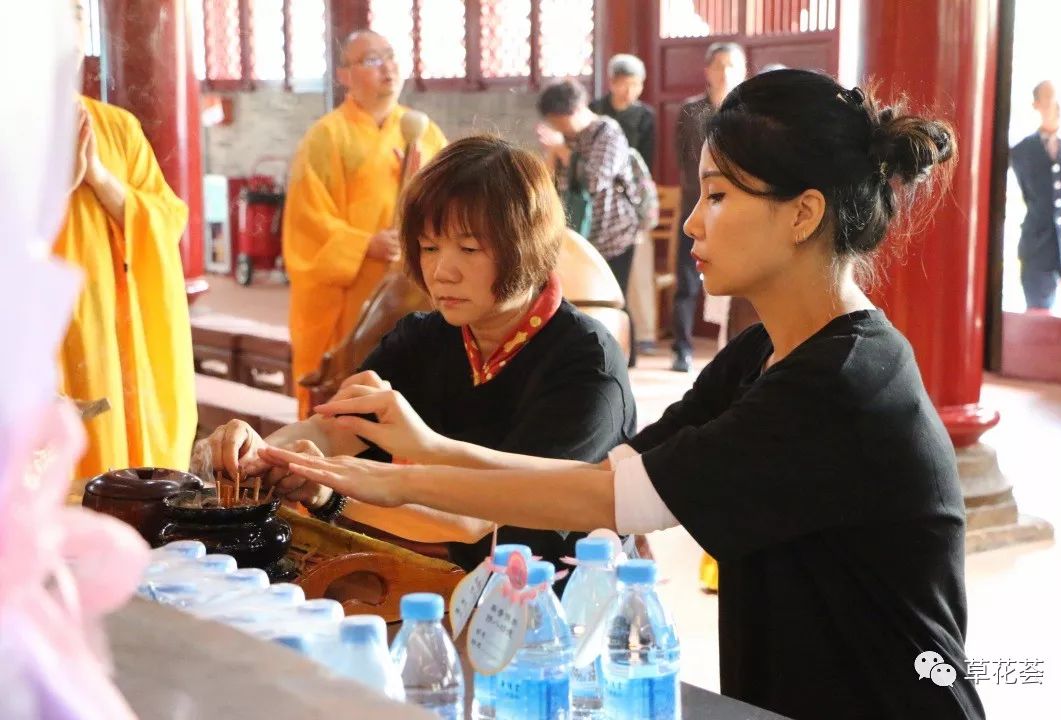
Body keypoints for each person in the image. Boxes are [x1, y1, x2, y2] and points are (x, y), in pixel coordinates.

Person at [260, 70, 985, 720]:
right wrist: (426, 451)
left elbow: (602, 502)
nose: (695, 221)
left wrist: (377, 480)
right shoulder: (765, 354)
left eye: (720, 195)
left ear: (803, 214)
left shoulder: (841, 383)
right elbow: (613, 476)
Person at [206, 135, 636, 573]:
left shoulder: (587, 367)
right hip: (424, 586)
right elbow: (337, 430)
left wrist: (330, 491)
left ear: (527, 245)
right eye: (429, 247)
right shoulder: (423, 336)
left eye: (468, 249)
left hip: (550, 606)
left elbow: (481, 516)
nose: (441, 272)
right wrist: (259, 453)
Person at [54, 0, 195, 478]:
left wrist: (99, 178)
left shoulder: (117, 128)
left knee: (123, 466)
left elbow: (167, 219)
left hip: (114, 329)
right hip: (45, 331)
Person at [283, 29, 447, 416]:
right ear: (344, 75)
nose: (388, 68)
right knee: (345, 402)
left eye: (391, 56)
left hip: (413, 291)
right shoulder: (326, 137)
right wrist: (363, 244)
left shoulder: (427, 132)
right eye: (372, 60)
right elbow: (307, 222)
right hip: (353, 295)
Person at [672, 41, 747, 372]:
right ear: (708, 70)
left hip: (735, 209)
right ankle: (681, 349)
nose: (725, 72)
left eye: (732, 65)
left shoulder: (746, 111)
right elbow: (683, 158)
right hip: (694, 203)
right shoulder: (691, 111)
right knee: (687, 281)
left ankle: (732, 351)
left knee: (737, 282)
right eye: (719, 65)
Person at [536, 80, 640, 317]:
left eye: (556, 119)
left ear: (574, 110)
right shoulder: (564, 138)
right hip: (576, 238)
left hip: (613, 236)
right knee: (576, 304)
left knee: (613, 305)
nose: (555, 126)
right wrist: (552, 155)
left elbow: (596, 180)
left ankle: (623, 354)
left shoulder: (607, 132)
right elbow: (547, 186)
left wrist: (562, 151)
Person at [591, 53, 661, 358]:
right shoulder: (595, 110)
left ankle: (643, 334)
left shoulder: (646, 116)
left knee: (637, 273)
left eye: (636, 85)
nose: (630, 91)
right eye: (625, 84)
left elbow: (646, 162)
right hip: (599, 203)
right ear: (612, 83)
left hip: (631, 202)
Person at [1009, 80, 1061, 311]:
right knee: (1037, 318)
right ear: (1036, 104)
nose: (1054, 104)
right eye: (1047, 99)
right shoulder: (1021, 151)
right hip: (1036, 246)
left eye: (1056, 98)